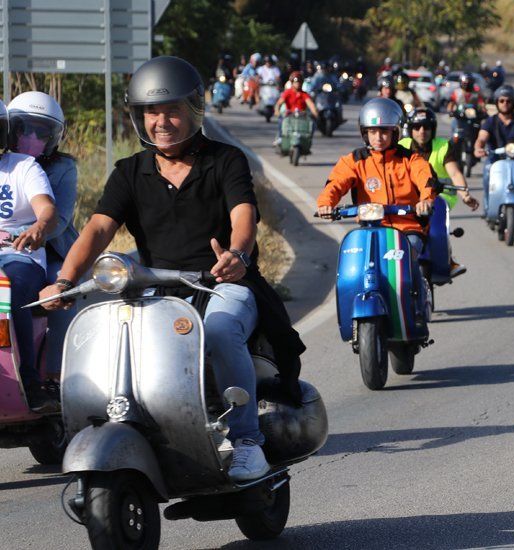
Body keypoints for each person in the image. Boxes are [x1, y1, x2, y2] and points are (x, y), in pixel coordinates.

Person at [37, 56, 306, 481]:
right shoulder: (130, 171)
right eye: (151, 112)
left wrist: (236, 255)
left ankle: (247, 441)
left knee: (218, 330)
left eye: (171, 110)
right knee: (118, 331)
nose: (161, 121)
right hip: (158, 289)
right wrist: (64, 280)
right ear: (139, 117)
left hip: (223, 284)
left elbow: (243, 217)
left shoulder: (225, 161)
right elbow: (97, 230)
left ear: (194, 110)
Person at [7, 91, 77, 384]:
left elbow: (57, 220)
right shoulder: (7, 165)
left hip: (52, 249)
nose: (32, 136)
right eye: (24, 128)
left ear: (53, 138)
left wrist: (28, 233)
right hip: (11, 249)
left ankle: (54, 373)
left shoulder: (62, 168)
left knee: (62, 289)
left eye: (42, 131)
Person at [316, 98, 436, 259]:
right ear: (365, 133)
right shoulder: (355, 160)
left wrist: (426, 200)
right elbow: (336, 183)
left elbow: (426, 178)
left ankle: (418, 284)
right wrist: (326, 204)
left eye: (384, 132)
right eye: (372, 132)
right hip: (369, 228)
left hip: (408, 227)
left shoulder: (410, 159)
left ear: (395, 133)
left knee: (406, 260)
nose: (378, 138)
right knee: (355, 261)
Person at [0, 99, 58, 412]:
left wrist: (39, 227)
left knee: (9, 286)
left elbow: (47, 209)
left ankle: (30, 380)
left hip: (19, 256)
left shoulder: (22, 166)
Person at [398, 107, 479, 277]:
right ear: (410, 129)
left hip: (440, 196)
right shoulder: (401, 146)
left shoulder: (443, 146)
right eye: (417, 127)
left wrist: (465, 195)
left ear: (432, 129)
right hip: (408, 196)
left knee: (437, 229)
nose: (422, 132)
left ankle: (448, 260)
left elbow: (455, 173)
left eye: (426, 127)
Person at [273, 72, 319, 147]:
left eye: (299, 82)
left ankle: (308, 140)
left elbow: (311, 104)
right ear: (292, 83)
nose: (297, 84)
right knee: (281, 120)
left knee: (312, 123)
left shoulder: (304, 94)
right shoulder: (288, 92)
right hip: (289, 115)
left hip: (301, 116)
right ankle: (281, 137)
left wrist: (315, 113)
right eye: (296, 82)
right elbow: (279, 103)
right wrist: (277, 110)